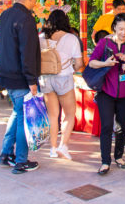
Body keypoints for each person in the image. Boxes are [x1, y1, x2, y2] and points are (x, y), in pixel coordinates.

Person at [0, 0, 41, 174]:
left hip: (6, 73)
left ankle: (6, 154)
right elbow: (27, 52)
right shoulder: (27, 18)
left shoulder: (5, 15)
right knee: (23, 118)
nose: (35, 1)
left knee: (16, 112)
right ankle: (21, 161)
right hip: (21, 76)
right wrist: (32, 80)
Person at [88, 13, 125, 175]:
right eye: (121, 28)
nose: (124, 32)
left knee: (122, 127)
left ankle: (119, 156)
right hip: (106, 92)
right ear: (114, 27)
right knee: (107, 127)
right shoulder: (105, 42)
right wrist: (106, 63)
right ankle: (105, 161)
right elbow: (92, 62)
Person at [39, 9, 84, 161]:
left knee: (53, 115)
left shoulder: (41, 38)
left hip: (45, 78)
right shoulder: (72, 38)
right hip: (64, 78)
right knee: (69, 114)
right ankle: (63, 146)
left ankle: (52, 148)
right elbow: (79, 64)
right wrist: (73, 67)